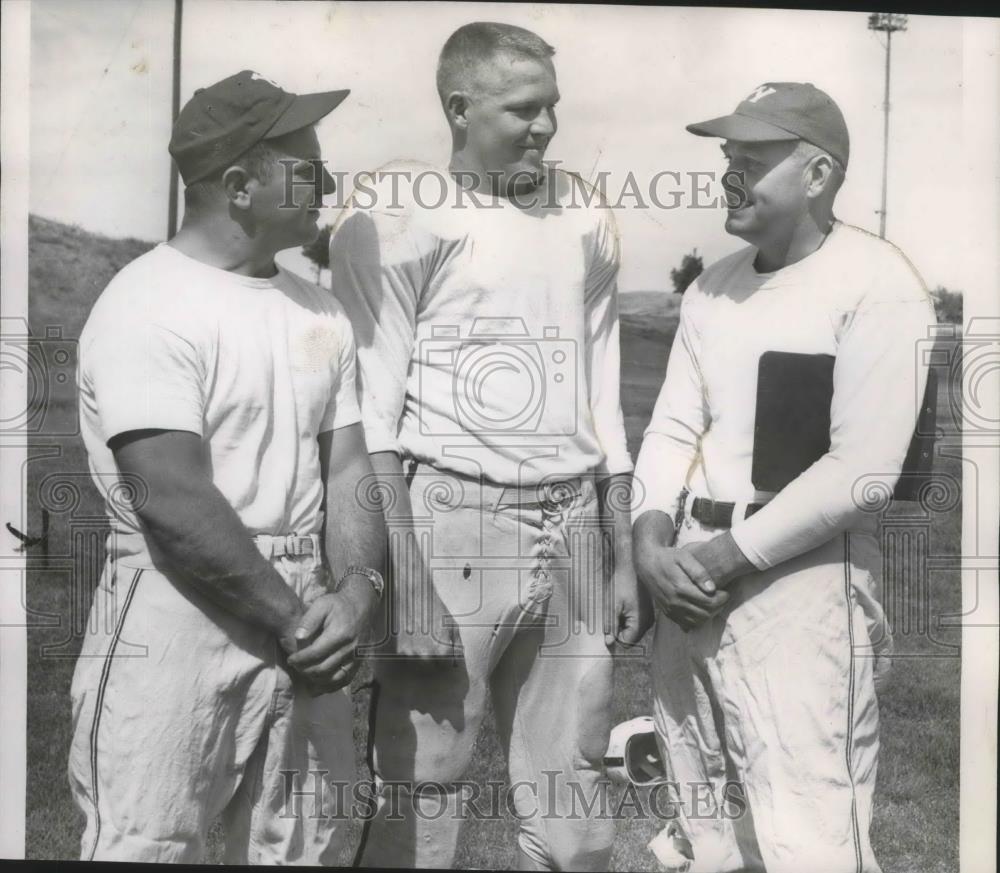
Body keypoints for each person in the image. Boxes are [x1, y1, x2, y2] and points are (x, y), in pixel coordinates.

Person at [329, 21, 650, 871]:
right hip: (452, 515)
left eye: (552, 107)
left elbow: (603, 391)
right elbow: (373, 417)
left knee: (576, 773)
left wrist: (620, 545)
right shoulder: (399, 217)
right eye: (522, 109)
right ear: (459, 107)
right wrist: (405, 579)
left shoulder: (583, 208)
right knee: (425, 779)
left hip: (573, 516)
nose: (544, 127)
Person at [69, 70, 387, 864]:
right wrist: (297, 623)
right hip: (179, 604)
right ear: (241, 184)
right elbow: (172, 500)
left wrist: (355, 595)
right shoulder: (147, 302)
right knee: (146, 844)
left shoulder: (320, 311)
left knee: (301, 847)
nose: (329, 182)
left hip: (308, 605)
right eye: (307, 166)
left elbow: (349, 468)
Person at [632, 82, 936, 873]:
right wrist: (650, 538)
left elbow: (862, 474)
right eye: (727, 158)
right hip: (689, 573)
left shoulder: (878, 281)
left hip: (800, 583)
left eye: (753, 160)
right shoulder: (714, 284)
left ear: (818, 174)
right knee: (702, 830)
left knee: (809, 837)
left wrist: (720, 558)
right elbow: (671, 426)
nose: (730, 175)